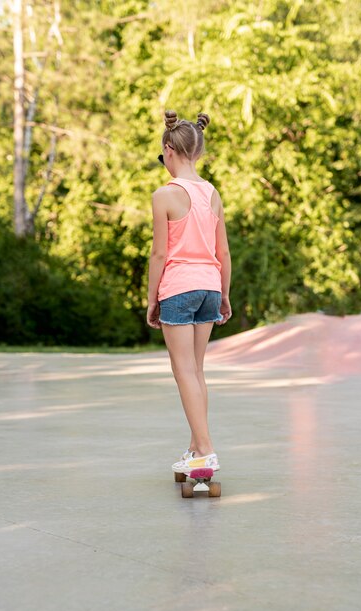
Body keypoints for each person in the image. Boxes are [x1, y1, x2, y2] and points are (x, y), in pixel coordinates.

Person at [146, 109, 232, 475]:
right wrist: (225, 295)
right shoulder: (212, 194)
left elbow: (160, 253)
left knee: (183, 371)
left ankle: (207, 450)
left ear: (169, 149)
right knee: (196, 371)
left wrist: (152, 299)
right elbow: (223, 251)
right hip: (210, 288)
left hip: (179, 289)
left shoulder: (164, 195)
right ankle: (196, 447)